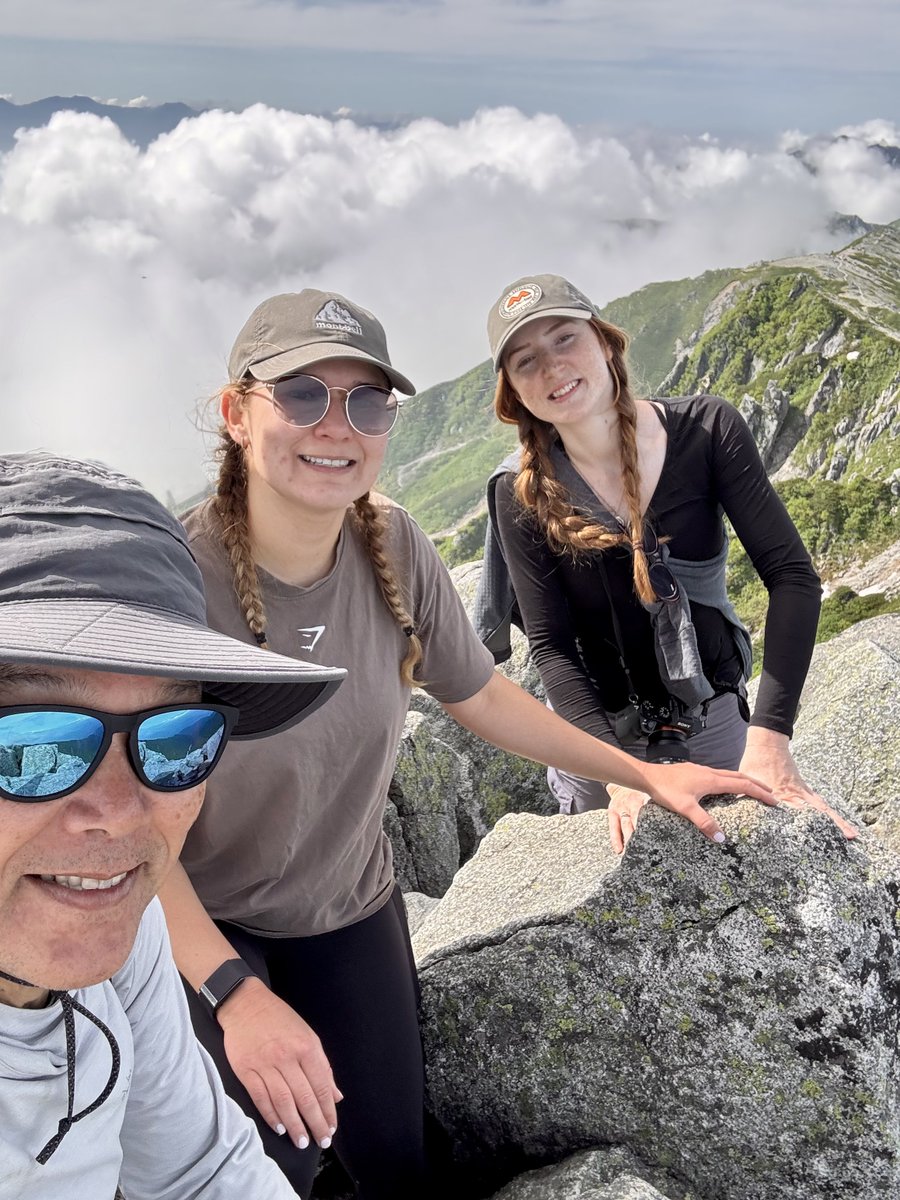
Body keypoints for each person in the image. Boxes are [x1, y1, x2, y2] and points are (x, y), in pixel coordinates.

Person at [159, 287, 776, 1200]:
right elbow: (125, 827)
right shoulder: (177, 584)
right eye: (301, 394)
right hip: (203, 927)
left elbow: (482, 694)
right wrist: (233, 996)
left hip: (347, 907)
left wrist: (638, 773)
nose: (337, 425)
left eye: (367, 402)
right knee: (265, 1166)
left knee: (394, 1163)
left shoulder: (393, 545)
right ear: (236, 413)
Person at [0, 451, 347, 1199]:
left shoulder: (124, 939)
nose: (121, 813)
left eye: (175, 738)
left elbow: (204, 1171)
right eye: (34, 746)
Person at [476, 272, 857, 854]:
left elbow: (791, 577)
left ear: (605, 342)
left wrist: (771, 740)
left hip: (709, 716)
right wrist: (618, 777)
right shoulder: (520, 490)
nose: (552, 368)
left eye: (564, 339)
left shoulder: (706, 431)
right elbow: (553, 646)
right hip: (594, 741)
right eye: (525, 361)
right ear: (514, 394)